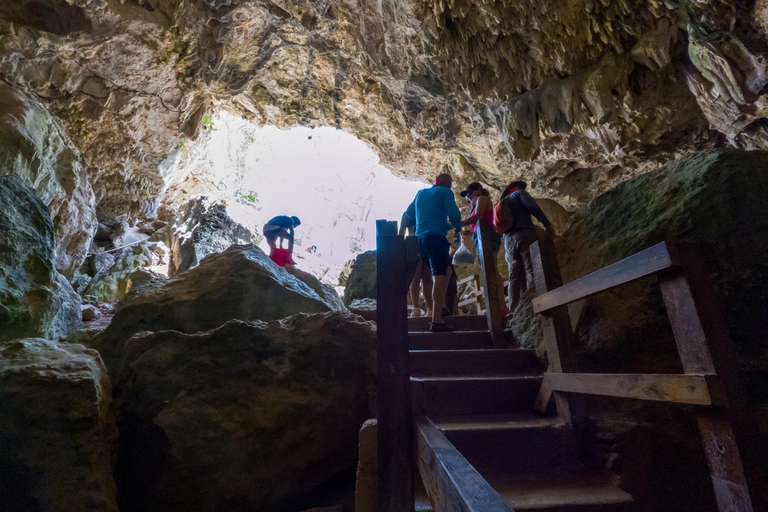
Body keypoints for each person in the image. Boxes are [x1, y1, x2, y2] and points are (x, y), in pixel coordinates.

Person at [404, 173, 462, 332]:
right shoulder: (445, 192)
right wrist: (458, 227)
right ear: (448, 184)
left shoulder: (421, 194)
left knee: (447, 271)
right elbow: (454, 214)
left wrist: (400, 239)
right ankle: (436, 321)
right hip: (436, 238)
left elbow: (406, 215)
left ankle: (439, 307)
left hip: (420, 242)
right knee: (440, 276)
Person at [498, 181, 555, 313]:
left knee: (514, 276)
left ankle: (514, 310)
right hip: (524, 234)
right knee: (531, 269)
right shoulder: (519, 194)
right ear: (514, 189)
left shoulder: (501, 205)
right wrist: (547, 224)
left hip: (508, 242)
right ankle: (534, 305)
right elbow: (532, 206)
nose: (522, 189)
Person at [459, 182, 508, 315]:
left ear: (477, 190)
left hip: (487, 236)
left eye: (469, 193)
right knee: (488, 270)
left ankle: (500, 306)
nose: (468, 197)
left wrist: (458, 223)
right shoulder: (476, 203)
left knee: (491, 269)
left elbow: (479, 216)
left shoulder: (482, 199)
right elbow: (479, 222)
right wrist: (469, 232)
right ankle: (498, 306)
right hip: (480, 236)